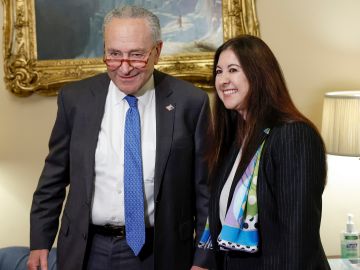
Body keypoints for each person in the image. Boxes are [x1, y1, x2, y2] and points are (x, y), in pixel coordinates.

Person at [27, 5, 211, 270]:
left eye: (136, 56)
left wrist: (203, 259)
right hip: (88, 249)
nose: (124, 68)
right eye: (114, 55)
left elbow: (204, 190)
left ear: (157, 51)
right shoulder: (76, 99)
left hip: (161, 250)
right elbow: (53, 178)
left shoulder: (190, 102)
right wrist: (40, 242)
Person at [199, 35, 330, 269]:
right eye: (219, 72)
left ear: (259, 74)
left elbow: (298, 238)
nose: (223, 80)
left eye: (233, 70)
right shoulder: (234, 139)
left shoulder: (293, 135)